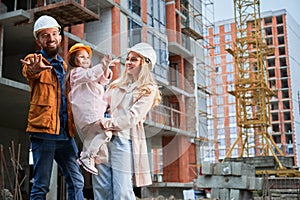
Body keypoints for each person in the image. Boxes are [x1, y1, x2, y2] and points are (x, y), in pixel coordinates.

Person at [20, 15, 84, 200]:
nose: (51, 38)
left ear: (60, 37)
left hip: (66, 134)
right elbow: (29, 71)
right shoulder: (34, 59)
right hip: (44, 133)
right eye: (45, 35)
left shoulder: (63, 66)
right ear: (38, 40)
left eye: (55, 33)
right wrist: (35, 69)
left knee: (76, 181)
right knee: (41, 186)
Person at [92, 42, 161, 199]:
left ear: (145, 64)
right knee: (101, 188)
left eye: (134, 59)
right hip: (102, 138)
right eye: (128, 58)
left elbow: (132, 117)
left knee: (122, 190)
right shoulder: (116, 85)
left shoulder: (148, 89)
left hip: (124, 140)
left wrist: (106, 123)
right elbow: (101, 105)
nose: (128, 62)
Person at [65, 43, 115, 175]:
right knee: (106, 132)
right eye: (81, 57)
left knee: (94, 137)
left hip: (92, 115)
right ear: (73, 60)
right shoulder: (76, 73)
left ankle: (86, 157)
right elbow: (90, 75)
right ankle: (87, 156)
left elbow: (102, 81)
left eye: (87, 57)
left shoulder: (88, 75)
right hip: (88, 113)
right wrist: (103, 65)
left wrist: (106, 68)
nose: (86, 59)